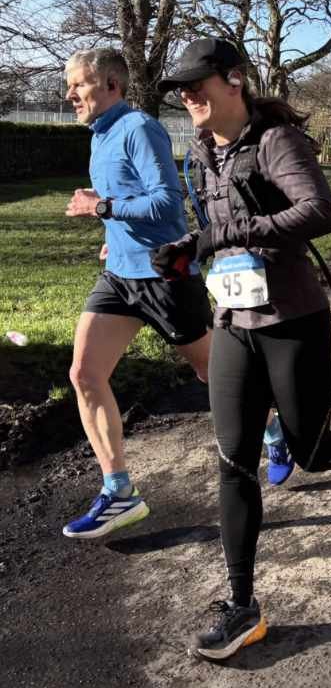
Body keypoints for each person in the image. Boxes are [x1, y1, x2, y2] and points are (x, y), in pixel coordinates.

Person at [151, 38, 331, 661]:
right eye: (181, 88)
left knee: (311, 451)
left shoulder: (275, 141)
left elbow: (320, 212)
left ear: (233, 80)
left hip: (294, 321)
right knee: (233, 460)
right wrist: (192, 247)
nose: (188, 96)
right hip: (235, 323)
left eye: (197, 84)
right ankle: (241, 604)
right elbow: (223, 229)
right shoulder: (202, 151)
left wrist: (228, 233)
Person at [62, 48, 212, 539]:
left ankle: (274, 430)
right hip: (121, 278)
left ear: (110, 84)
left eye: (78, 85)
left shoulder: (140, 128)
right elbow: (129, 205)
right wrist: (113, 238)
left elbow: (168, 205)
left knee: (212, 371)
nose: (69, 95)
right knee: (84, 373)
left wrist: (102, 208)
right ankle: (119, 491)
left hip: (165, 276)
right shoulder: (100, 138)